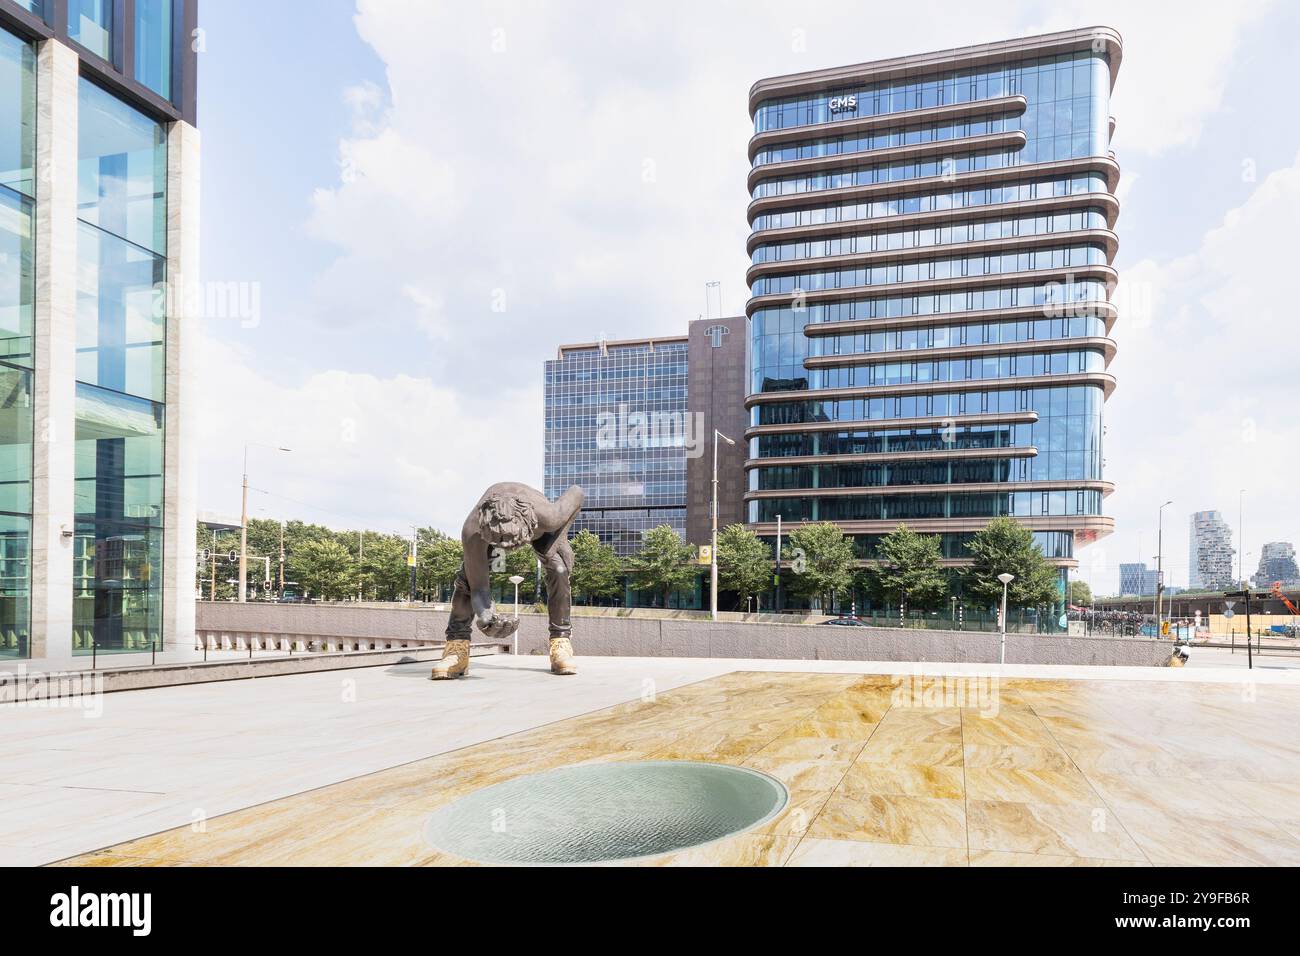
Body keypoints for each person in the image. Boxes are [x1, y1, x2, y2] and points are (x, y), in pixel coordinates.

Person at [432, 482, 584, 679]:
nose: (506, 549)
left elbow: (577, 492)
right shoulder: (472, 531)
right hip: (491, 532)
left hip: (537, 529)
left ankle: (561, 643)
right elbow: (479, 589)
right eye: (499, 543)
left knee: (559, 569)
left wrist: (560, 538)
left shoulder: (550, 516)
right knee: (466, 581)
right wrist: (486, 616)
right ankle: (456, 648)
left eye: (513, 543)